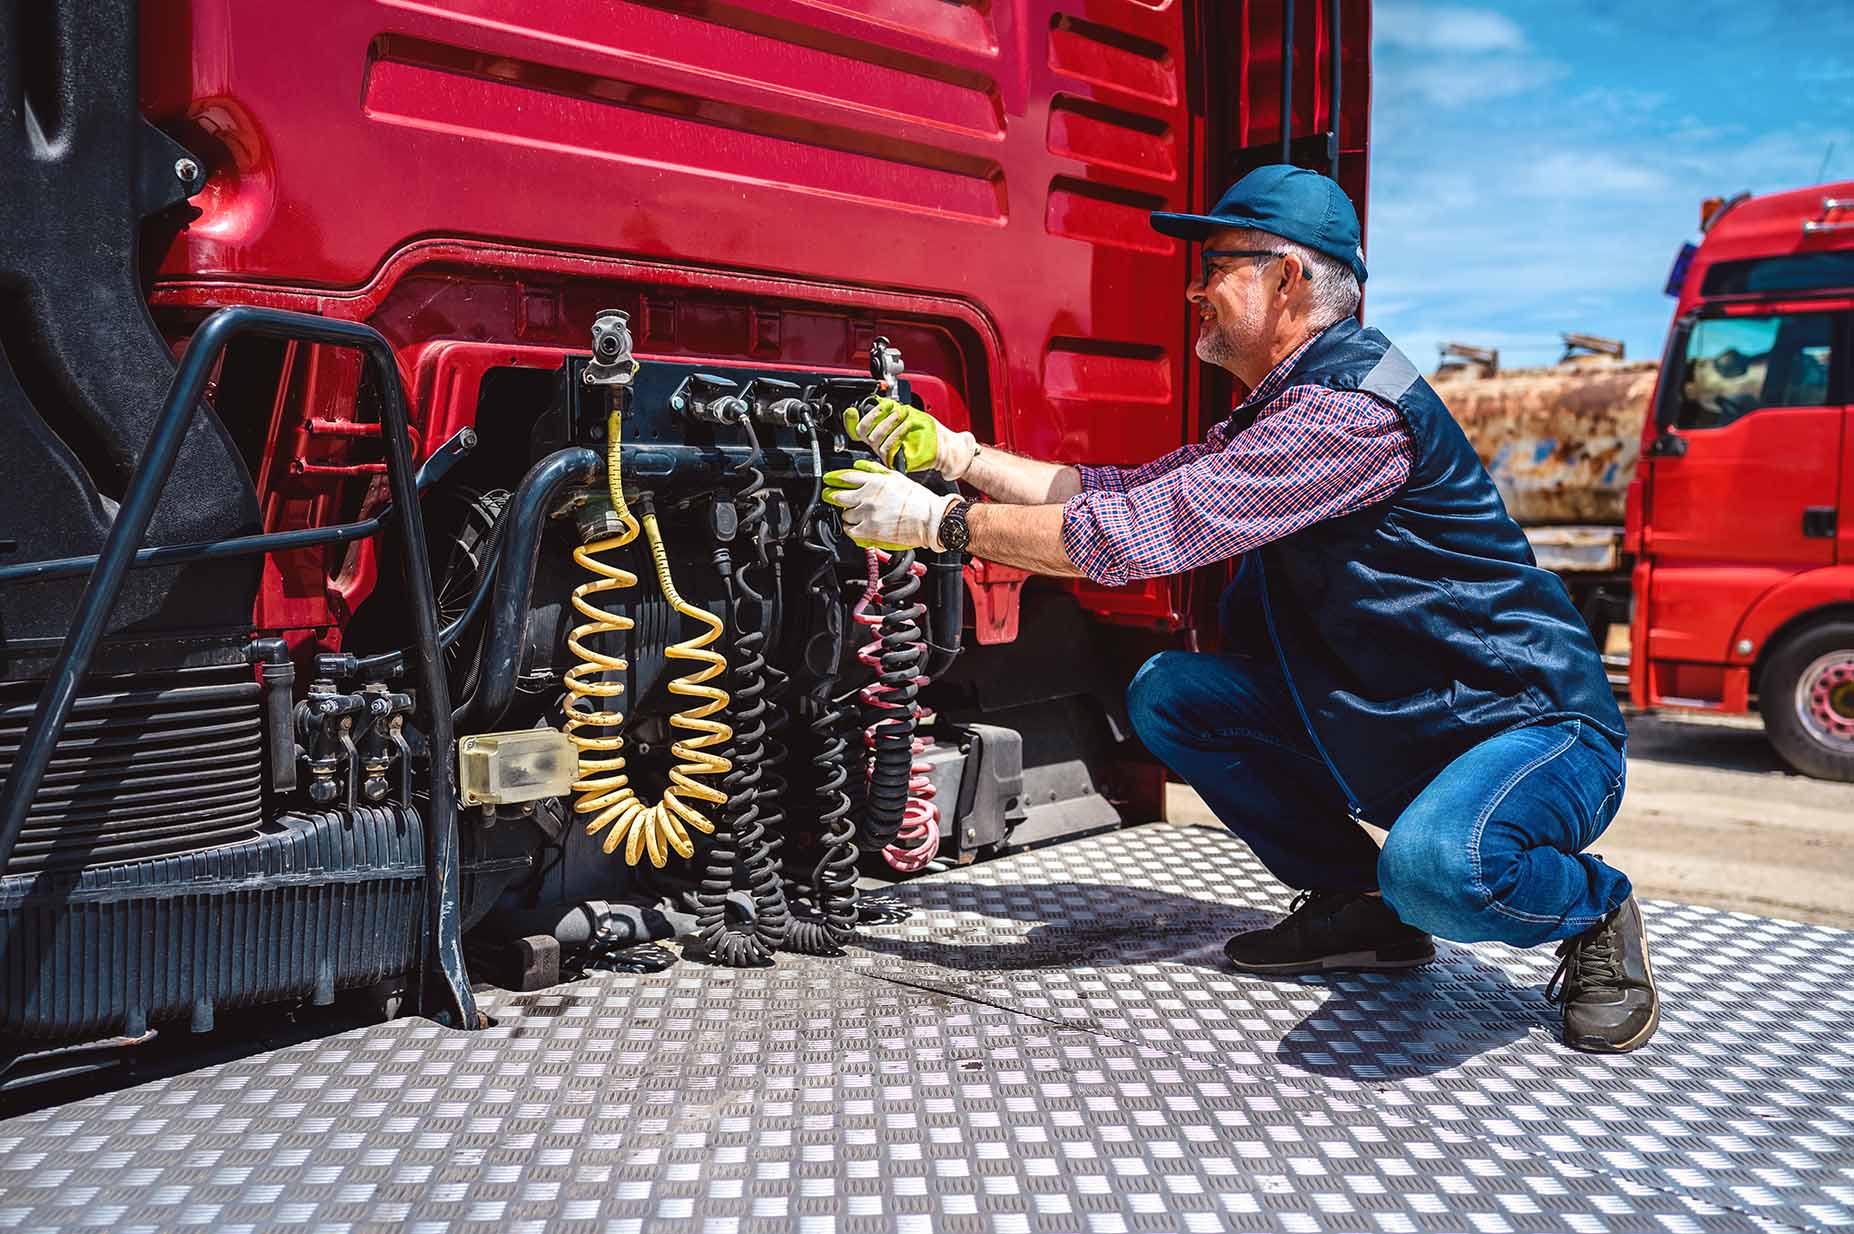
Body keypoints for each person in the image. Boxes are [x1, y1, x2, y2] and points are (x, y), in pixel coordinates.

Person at [821, 165, 1659, 1054]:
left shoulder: (1347, 413)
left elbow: (1138, 536)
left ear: (1288, 278)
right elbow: (1124, 490)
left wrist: (938, 524)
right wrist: (960, 455)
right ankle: (1362, 909)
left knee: (1444, 871)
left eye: (1216, 265)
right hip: (1401, 722)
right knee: (1173, 693)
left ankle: (1596, 911)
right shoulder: (1290, 403)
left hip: (1529, 732)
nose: (1195, 289)